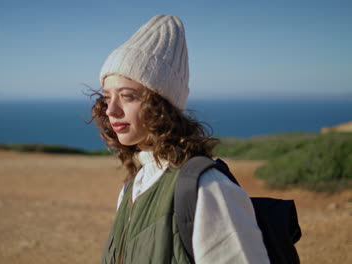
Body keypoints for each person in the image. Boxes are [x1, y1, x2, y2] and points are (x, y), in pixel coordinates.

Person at [92, 15, 270, 263]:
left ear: (162, 104)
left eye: (127, 96)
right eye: (107, 97)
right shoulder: (134, 185)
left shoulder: (207, 188)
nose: (111, 110)